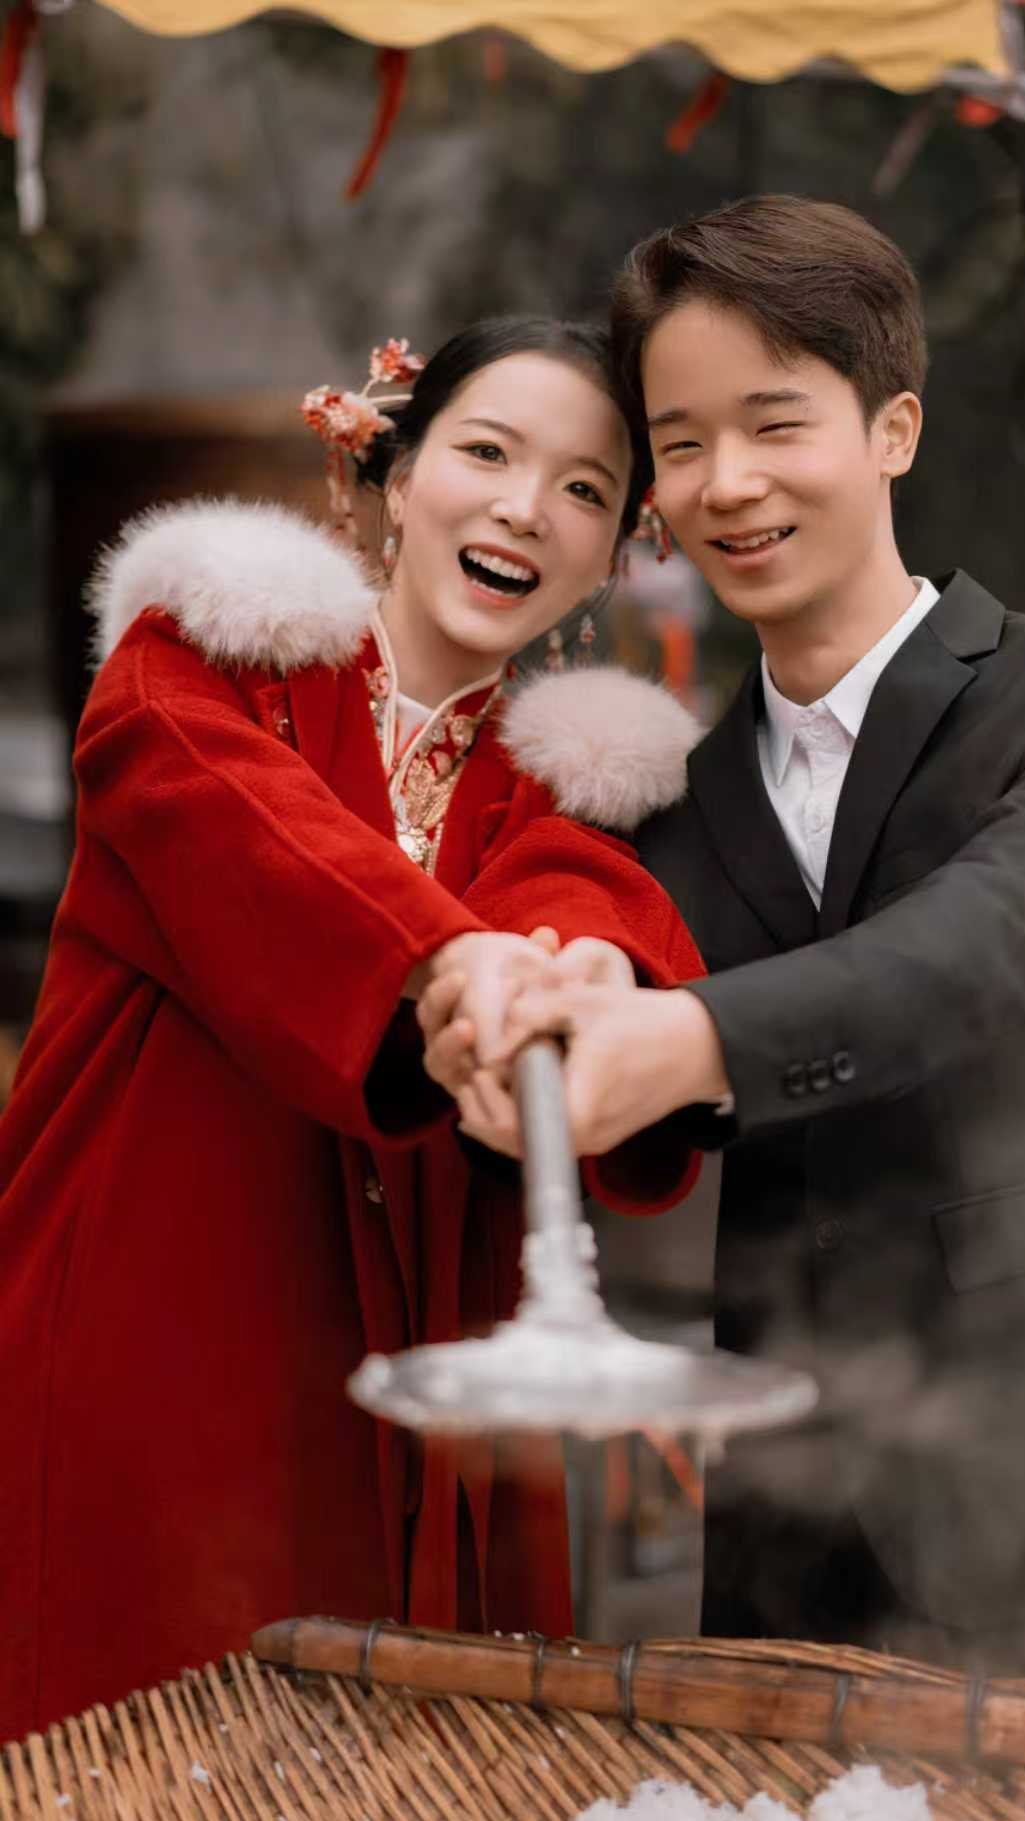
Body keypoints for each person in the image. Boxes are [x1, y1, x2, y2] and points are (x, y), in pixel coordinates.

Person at [426, 198, 1025, 1686]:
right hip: (779, 1530)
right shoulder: (668, 797)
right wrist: (559, 1004)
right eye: (679, 443)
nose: (726, 484)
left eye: (774, 423)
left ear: (892, 429)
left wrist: (692, 1037)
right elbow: (606, 1017)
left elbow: (997, 941)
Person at [0, 315, 704, 1741]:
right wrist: (454, 963)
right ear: (386, 474)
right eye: (487, 453)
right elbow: (240, 831)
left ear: (613, 552)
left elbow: (580, 896)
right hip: (160, 1321)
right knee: (128, 1764)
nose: (526, 507)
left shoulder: (574, 789)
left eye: (583, 488)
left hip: (429, 1369)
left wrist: (580, 978)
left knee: (409, 1790)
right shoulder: (191, 670)